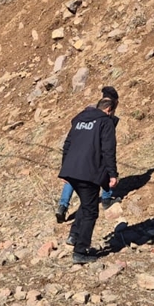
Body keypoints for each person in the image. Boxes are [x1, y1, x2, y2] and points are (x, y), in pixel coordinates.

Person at [58, 93, 118, 264]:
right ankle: (80, 250)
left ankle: (74, 236)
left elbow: (67, 144)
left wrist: (65, 169)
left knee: (86, 204)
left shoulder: (79, 120)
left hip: (71, 170)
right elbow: (108, 150)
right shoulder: (105, 122)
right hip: (89, 171)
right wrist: (112, 174)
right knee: (91, 211)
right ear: (108, 110)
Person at [55, 87, 119, 222]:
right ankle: (106, 198)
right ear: (111, 107)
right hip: (93, 158)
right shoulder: (106, 119)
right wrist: (113, 174)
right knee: (103, 164)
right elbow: (107, 150)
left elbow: (69, 142)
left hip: (75, 157)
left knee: (73, 176)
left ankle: (62, 205)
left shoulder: (86, 115)